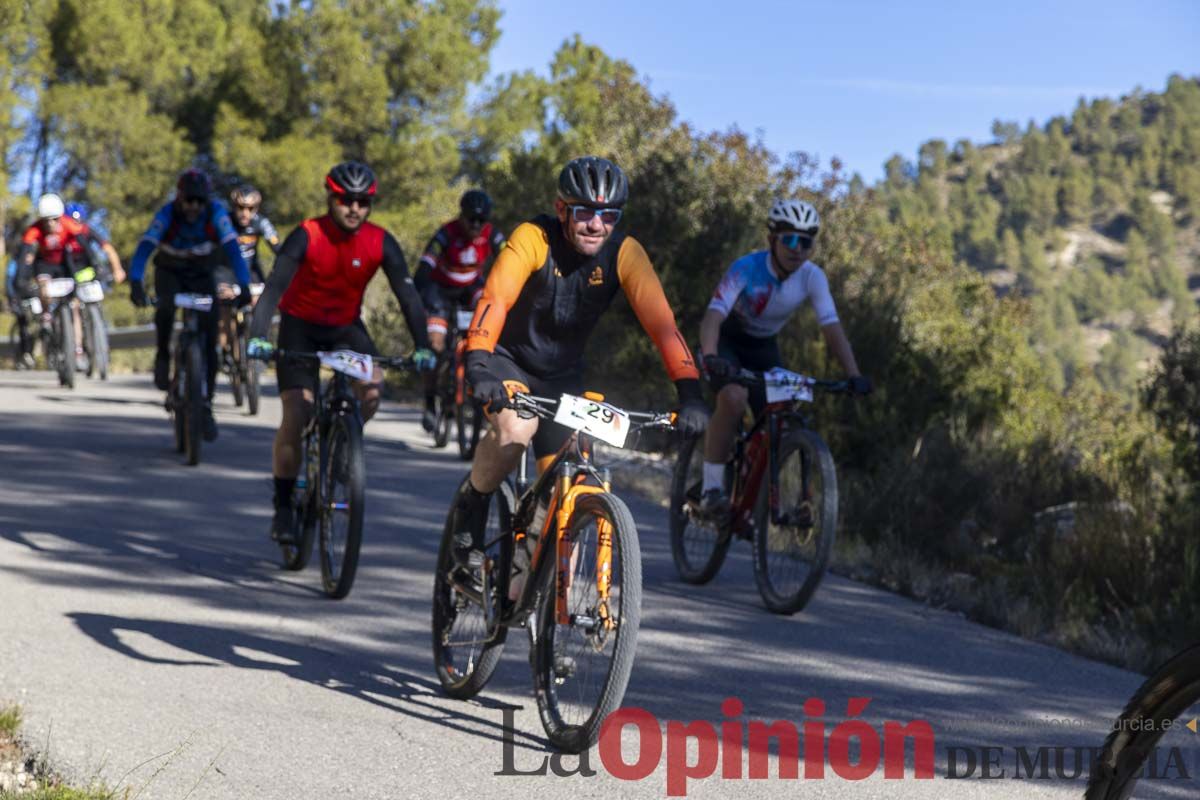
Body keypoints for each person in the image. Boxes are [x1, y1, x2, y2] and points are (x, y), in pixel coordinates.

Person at [449, 155, 710, 569]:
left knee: (574, 481)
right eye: (584, 212)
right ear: (561, 210)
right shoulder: (533, 238)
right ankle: (472, 507)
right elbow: (495, 300)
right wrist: (478, 362)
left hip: (563, 377)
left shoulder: (625, 253)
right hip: (507, 362)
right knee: (517, 429)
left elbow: (664, 328)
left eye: (608, 216)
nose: (595, 225)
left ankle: (522, 573)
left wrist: (691, 393)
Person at [245, 161, 437, 542]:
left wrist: (422, 346)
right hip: (300, 327)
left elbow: (408, 297)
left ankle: (341, 444)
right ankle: (283, 507)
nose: (354, 208)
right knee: (297, 412)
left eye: (363, 202)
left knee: (371, 391)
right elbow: (274, 289)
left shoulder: (380, 241)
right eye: (345, 200)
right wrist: (258, 335)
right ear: (330, 198)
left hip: (346, 329)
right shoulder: (307, 234)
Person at [696, 198, 872, 517]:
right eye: (789, 239)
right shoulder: (746, 269)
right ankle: (711, 488)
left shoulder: (812, 277)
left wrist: (854, 374)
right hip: (727, 344)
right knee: (734, 398)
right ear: (771, 240)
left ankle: (762, 497)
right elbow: (713, 318)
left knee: (786, 415)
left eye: (805, 242)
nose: (797, 249)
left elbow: (832, 327)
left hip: (764, 349)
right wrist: (710, 356)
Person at [128, 168, 251, 442]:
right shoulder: (167, 214)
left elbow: (233, 249)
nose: (194, 207)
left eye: (199, 201)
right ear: (180, 199)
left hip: (202, 274)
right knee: (166, 309)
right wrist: (136, 281)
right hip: (170, 271)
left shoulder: (216, 214)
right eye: (189, 201)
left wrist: (243, 284)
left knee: (210, 341)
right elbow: (145, 247)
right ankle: (162, 355)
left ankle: (205, 403)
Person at [414, 189, 505, 432]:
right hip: (440, 288)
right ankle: (430, 400)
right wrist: (420, 287)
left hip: (470, 287)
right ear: (461, 216)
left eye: (480, 220)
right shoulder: (447, 232)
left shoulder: (491, 234)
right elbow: (427, 262)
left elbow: (508, 258)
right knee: (436, 343)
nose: (475, 225)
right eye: (470, 219)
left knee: (487, 310)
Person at [16, 193, 104, 370]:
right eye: (47, 220)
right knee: (43, 285)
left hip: (64, 264)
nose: (51, 224)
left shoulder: (67, 223)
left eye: (54, 220)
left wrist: (95, 262)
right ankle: (47, 316)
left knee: (75, 308)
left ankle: (77, 351)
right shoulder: (34, 230)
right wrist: (20, 278)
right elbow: (24, 254)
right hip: (44, 264)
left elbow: (85, 244)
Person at [215, 184, 280, 359]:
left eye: (250, 209)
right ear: (233, 207)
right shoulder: (224, 222)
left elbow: (278, 248)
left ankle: (256, 340)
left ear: (256, 208)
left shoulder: (261, 222)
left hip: (251, 270)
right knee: (224, 313)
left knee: (260, 303)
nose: (245, 213)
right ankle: (226, 351)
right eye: (240, 208)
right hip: (226, 271)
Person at [64, 203, 127, 285]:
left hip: (88, 268)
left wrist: (117, 269)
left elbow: (108, 249)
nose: (76, 226)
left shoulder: (87, 230)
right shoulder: (61, 234)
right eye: (72, 222)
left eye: (79, 222)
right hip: (68, 271)